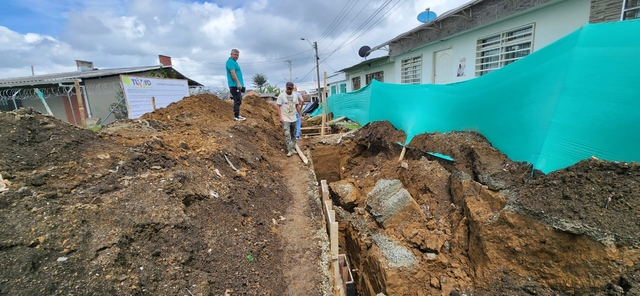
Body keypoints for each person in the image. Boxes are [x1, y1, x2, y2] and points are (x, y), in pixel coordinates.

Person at [276, 82, 303, 157]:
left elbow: (297, 106)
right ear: (286, 87)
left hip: (293, 118)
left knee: (293, 134)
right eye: (288, 89)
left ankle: (293, 148)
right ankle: (289, 150)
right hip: (285, 118)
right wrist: (280, 117)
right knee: (287, 134)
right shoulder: (281, 96)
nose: (289, 90)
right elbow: (278, 106)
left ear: (292, 88)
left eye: (291, 89)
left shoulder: (294, 96)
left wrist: (300, 115)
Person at [226, 49, 246, 121]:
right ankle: (236, 117)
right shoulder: (230, 62)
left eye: (237, 55)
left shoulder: (234, 62)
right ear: (231, 54)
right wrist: (238, 83)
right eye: (235, 54)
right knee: (237, 100)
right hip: (234, 85)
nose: (236, 56)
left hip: (237, 85)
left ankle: (238, 115)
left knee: (239, 100)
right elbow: (233, 73)